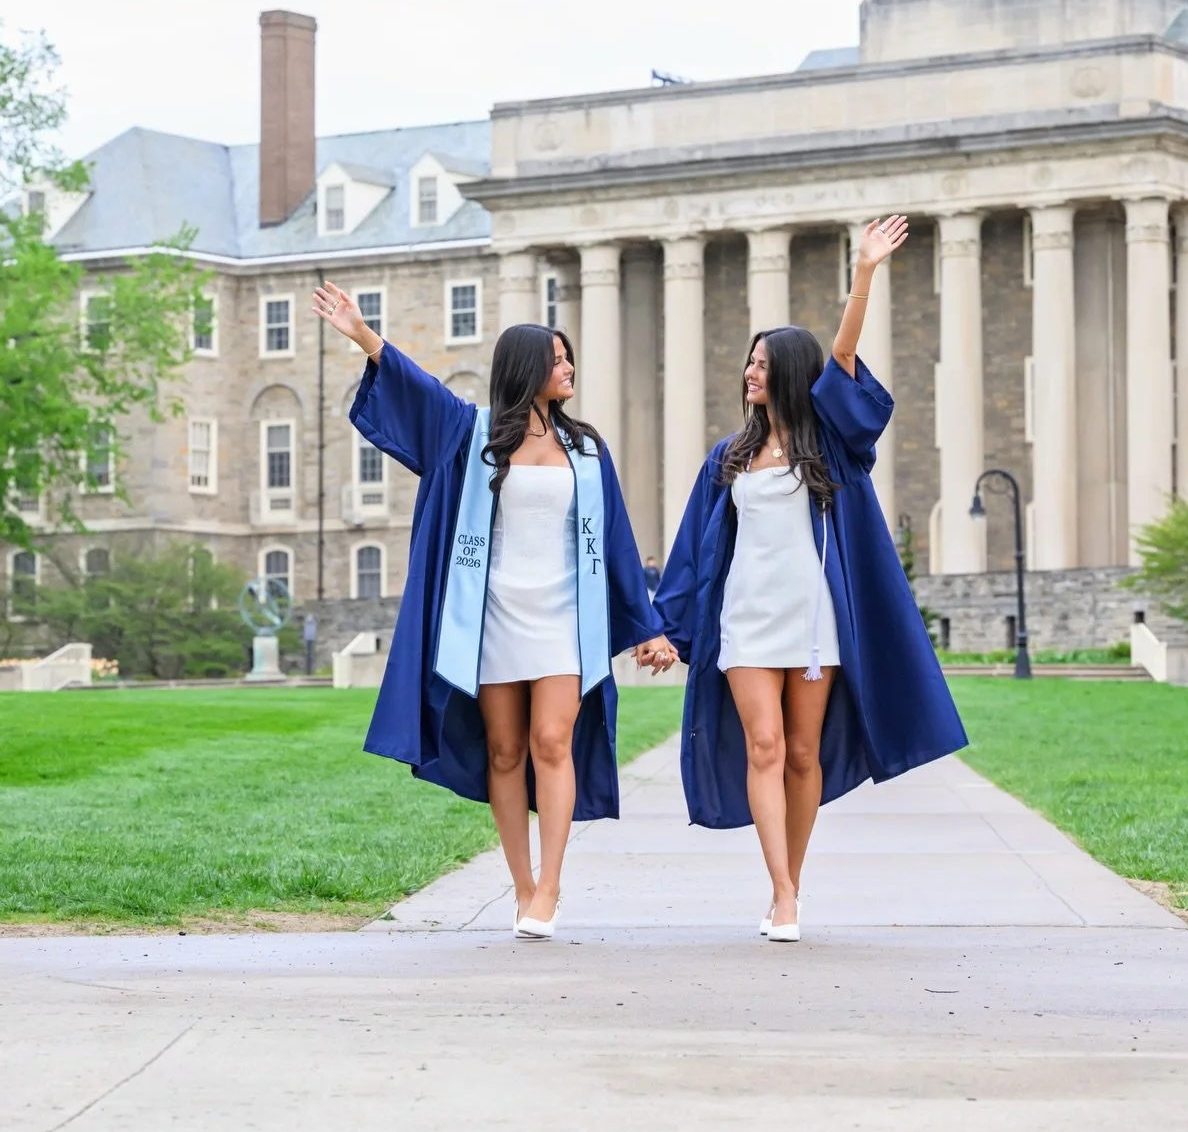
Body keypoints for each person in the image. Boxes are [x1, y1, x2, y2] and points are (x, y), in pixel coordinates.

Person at [314, 282, 677, 939]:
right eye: (558, 358)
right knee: (505, 752)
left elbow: (616, 542)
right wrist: (364, 336)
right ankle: (523, 887)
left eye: (569, 359)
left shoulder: (588, 452)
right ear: (527, 368)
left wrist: (646, 627)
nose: (569, 367)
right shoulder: (472, 436)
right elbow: (419, 390)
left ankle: (553, 885)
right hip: (491, 617)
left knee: (552, 741)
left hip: (565, 619)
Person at [655, 217, 968, 944]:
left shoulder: (831, 444)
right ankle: (784, 893)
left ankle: (788, 884)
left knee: (801, 753)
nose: (750, 373)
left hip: (813, 619)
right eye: (748, 363)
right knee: (763, 747)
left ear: (791, 373)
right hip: (745, 618)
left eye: (763, 364)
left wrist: (864, 274)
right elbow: (693, 550)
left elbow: (846, 353)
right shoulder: (726, 458)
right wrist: (668, 631)